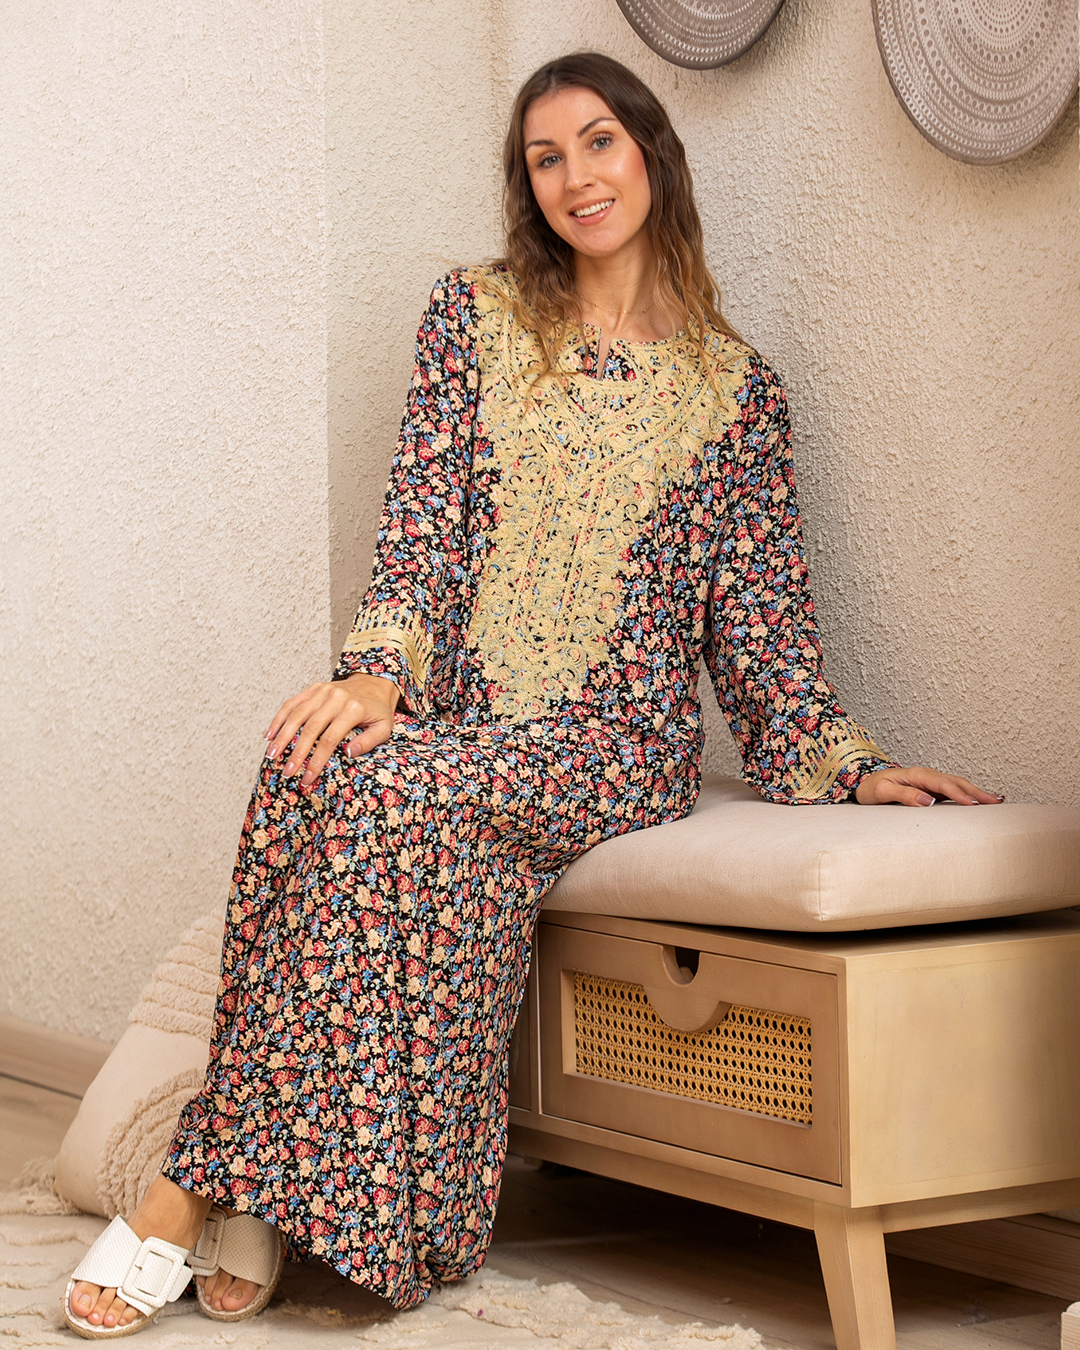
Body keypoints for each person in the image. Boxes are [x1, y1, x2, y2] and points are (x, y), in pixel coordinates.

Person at [64, 51, 1003, 1338]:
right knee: (314, 761)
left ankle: (188, 1192)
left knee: (384, 793)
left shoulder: (738, 397)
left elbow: (764, 636)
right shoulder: (475, 320)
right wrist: (379, 672)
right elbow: (421, 523)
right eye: (545, 157)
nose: (576, 177)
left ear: (652, 154)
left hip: (615, 742)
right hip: (471, 719)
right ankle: (269, 1197)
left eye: (599, 141)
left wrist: (849, 763)